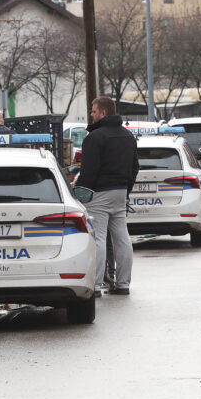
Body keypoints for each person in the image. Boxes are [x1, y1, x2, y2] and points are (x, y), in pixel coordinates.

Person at [76, 96, 139, 296]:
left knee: (99, 238)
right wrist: (126, 189)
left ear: (103, 113)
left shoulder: (94, 138)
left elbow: (88, 171)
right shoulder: (128, 137)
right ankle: (123, 284)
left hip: (100, 193)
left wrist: (83, 192)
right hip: (121, 192)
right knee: (122, 237)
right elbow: (134, 167)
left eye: (93, 111)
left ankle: (94, 286)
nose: (91, 114)